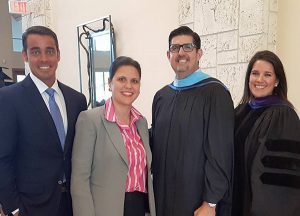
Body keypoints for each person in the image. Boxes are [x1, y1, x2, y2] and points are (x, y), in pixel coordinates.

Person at [0, 26, 87, 216]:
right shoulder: (8, 99)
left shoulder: (77, 100)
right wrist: (13, 208)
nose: (44, 59)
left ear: (58, 54)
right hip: (30, 206)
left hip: (73, 204)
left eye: (49, 51)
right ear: (25, 55)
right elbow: (3, 159)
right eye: (35, 51)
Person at [151, 26, 234, 216]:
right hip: (163, 197)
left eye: (188, 47)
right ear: (168, 54)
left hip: (197, 202)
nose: (181, 53)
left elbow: (220, 152)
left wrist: (211, 202)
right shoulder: (162, 96)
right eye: (175, 48)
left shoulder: (215, 93)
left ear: (199, 53)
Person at [71, 56, 156, 216]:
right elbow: (79, 181)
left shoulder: (141, 123)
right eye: (122, 79)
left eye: (134, 81)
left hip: (138, 207)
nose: (128, 86)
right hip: (105, 209)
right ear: (110, 83)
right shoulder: (90, 120)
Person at [232, 50, 300, 216]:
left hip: (264, 207)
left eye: (267, 75)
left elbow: (282, 176)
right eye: (255, 73)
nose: (259, 80)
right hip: (234, 201)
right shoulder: (240, 112)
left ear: (276, 81)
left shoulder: (285, 116)